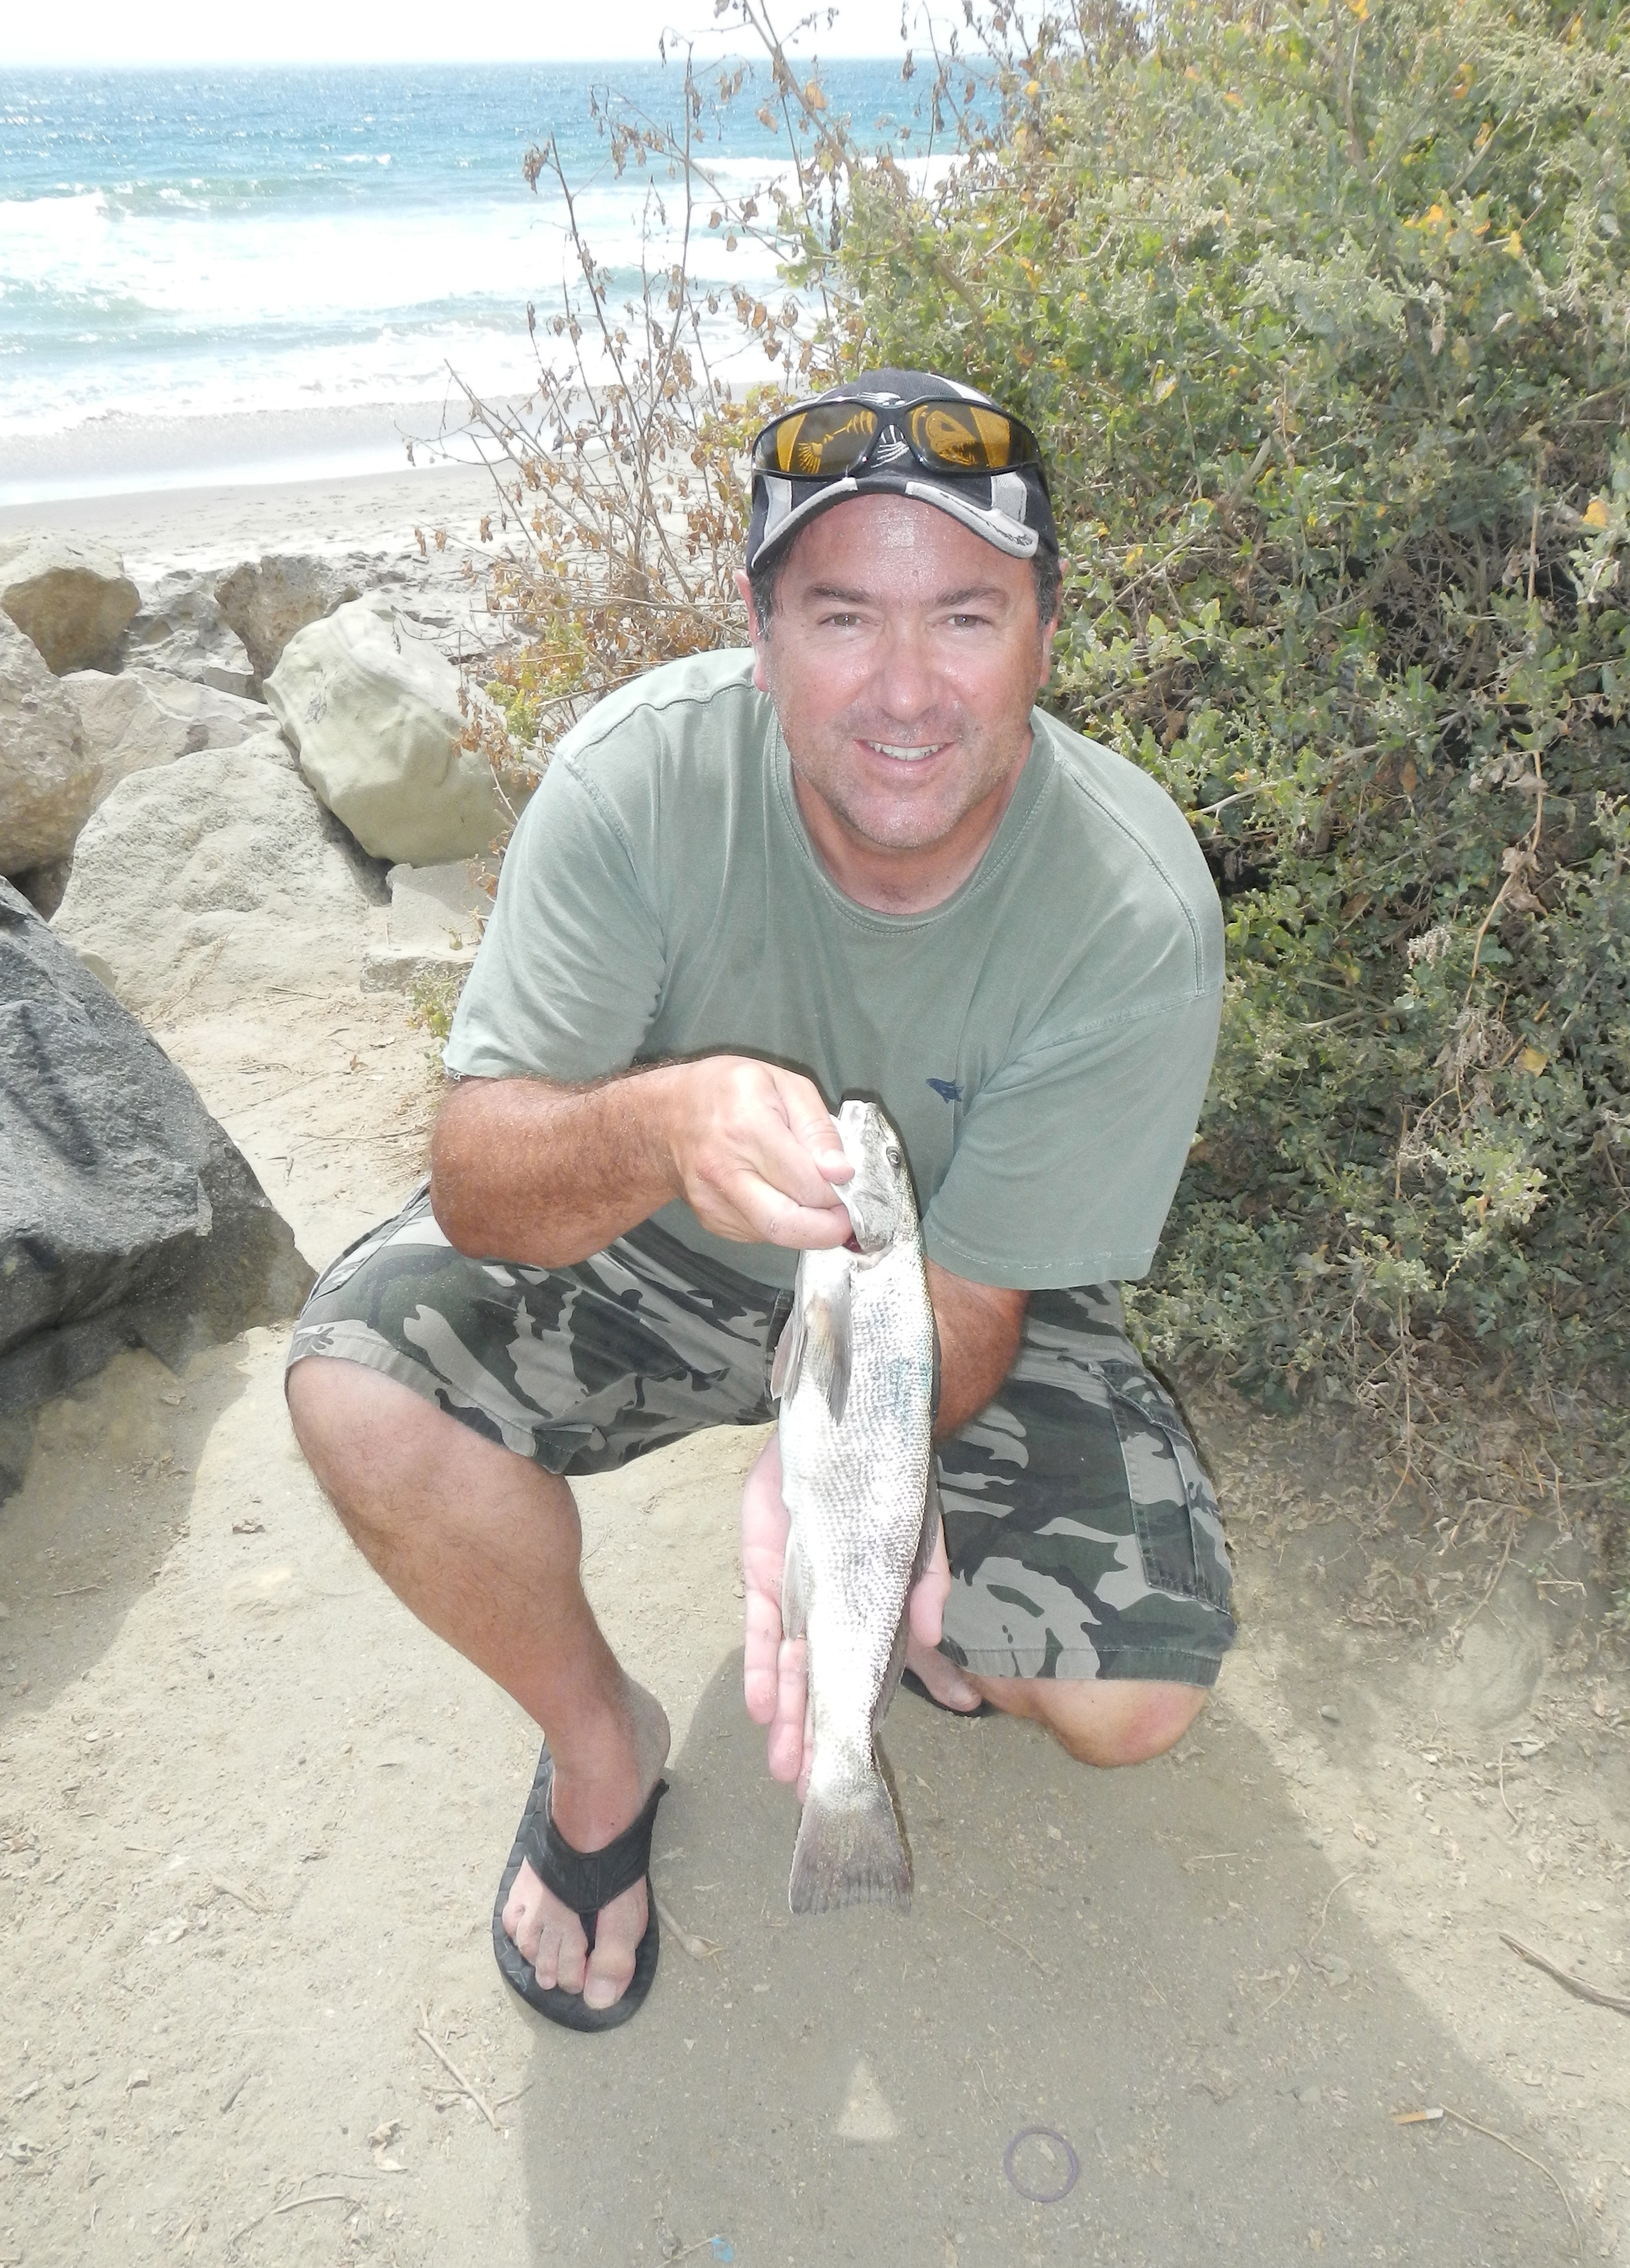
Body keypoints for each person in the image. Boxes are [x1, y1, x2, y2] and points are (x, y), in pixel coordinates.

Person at [285, 369, 1234, 2032]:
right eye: (840, 615)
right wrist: (657, 1121)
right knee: (359, 1392)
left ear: (1045, 630)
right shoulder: (638, 780)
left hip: (926, 1305)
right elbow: (482, 1185)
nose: (903, 688)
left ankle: (901, 1644)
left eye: (964, 615)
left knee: (1136, 1699)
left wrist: (832, 1494)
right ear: (758, 627)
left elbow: (975, 1305)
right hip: (644, 1245)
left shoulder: (1129, 908)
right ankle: (603, 1751)